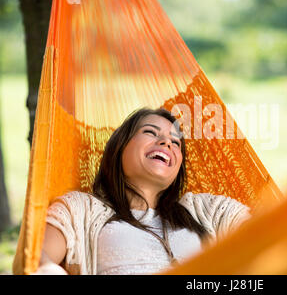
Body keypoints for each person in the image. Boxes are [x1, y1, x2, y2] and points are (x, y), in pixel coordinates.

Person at [34, 107, 251, 275]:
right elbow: (36, 257)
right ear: (120, 147)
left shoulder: (207, 210)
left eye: (176, 142)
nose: (167, 142)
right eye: (150, 132)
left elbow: (266, 231)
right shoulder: (81, 209)